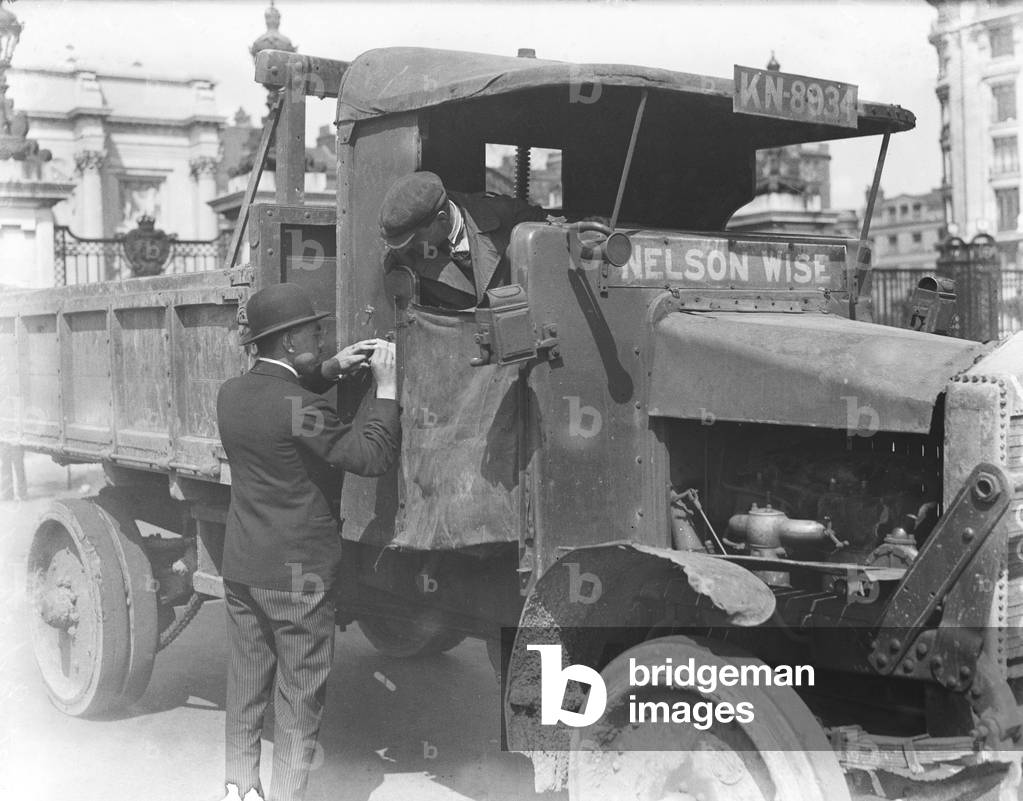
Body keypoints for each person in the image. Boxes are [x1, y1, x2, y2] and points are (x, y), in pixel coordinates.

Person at [215, 282, 400, 801]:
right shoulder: (302, 407)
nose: (322, 336)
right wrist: (386, 389)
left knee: (246, 685)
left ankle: (238, 788)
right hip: (299, 578)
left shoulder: (231, 394)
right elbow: (371, 457)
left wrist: (330, 368)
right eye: (314, 332)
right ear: (290, 340)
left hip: (244, 567)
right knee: (299, 698)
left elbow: (279, 398)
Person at [379, 170, 547, 309]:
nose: (408, 248)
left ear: (442, 219)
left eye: (414, 240)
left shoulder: (509, 216)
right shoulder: (405, 252)